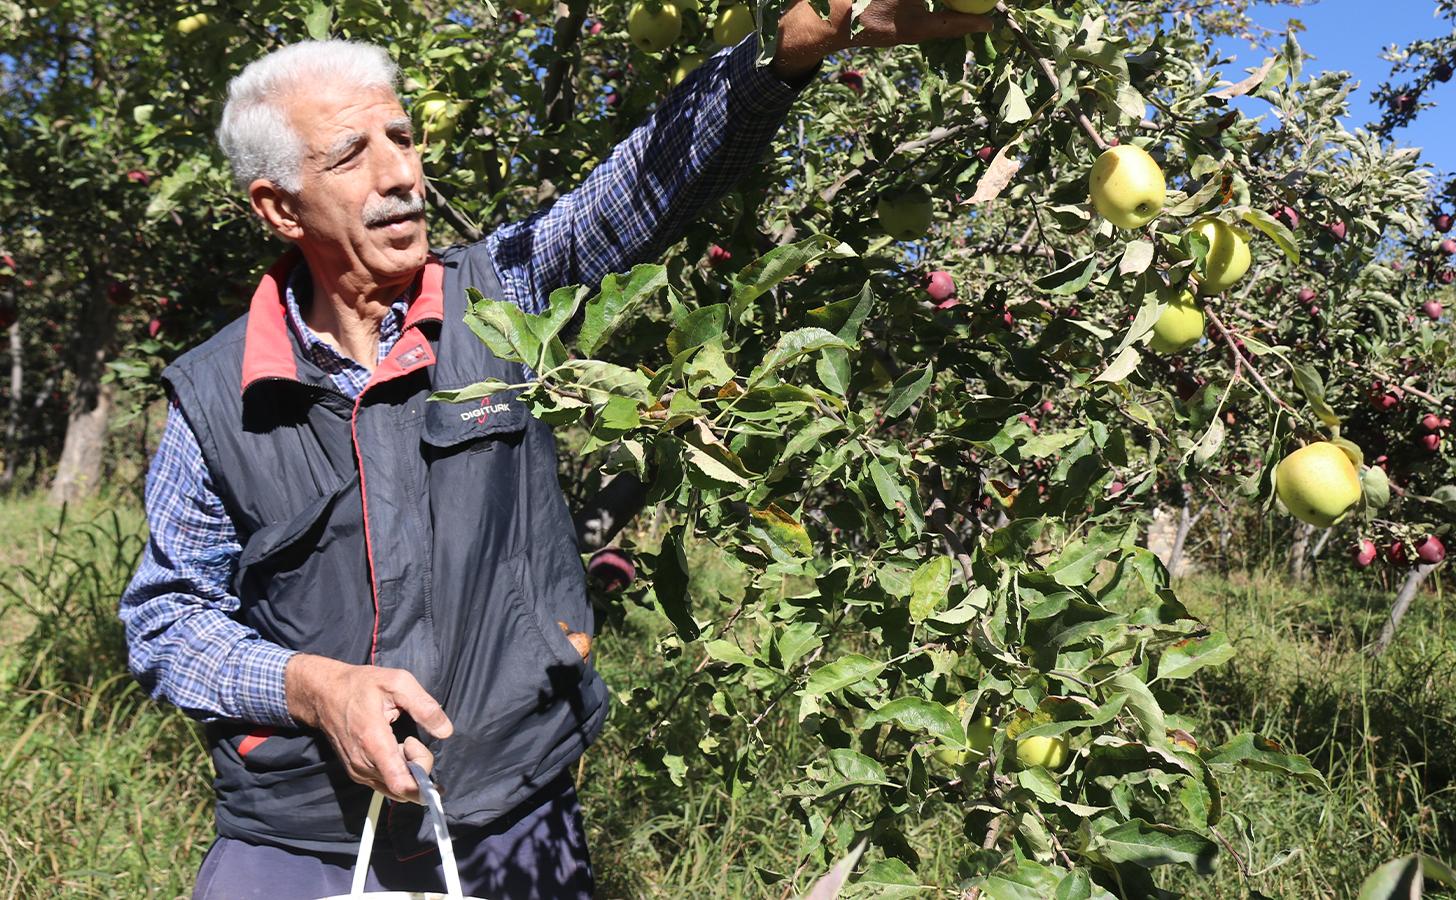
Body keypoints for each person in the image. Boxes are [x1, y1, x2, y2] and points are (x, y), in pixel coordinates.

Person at [119, 1, 991, 896]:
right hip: (302, 831)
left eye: (403, 137)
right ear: (278, 206)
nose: (401, 175)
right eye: (351, 154)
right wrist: (312, 687)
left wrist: (793, 45)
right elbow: (165, 621)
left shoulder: (497, 298)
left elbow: (643, 187)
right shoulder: (220, 397)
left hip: (510, 805)